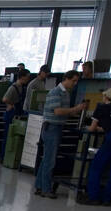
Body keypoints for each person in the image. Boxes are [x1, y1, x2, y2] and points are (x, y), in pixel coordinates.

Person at [35, 70, 87, 198]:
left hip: (57, 127)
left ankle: (40, 186)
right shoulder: (55, 92)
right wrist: (75, 109)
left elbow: (65, 111)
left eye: (76, 81)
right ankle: (46, 189)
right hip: (51, 128)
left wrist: (77, 112)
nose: (75, 83)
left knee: (47, 158)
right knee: (50, 160)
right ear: (66, 79)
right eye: (73, 80)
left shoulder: (66, 94)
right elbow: (57, 111)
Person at [83, 88, 111, 205]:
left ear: (105, 97)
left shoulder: (101, 108)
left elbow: (92, 128)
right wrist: (102, 128)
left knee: (96, 167)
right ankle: (107, 198)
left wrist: (87, 128)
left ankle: (93, 197)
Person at [1, 70, 30, 160]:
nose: (28, 78)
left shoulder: (22, 87)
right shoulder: (13, 87)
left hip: (16, 113)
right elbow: (4, 99)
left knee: (12, 136)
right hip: (11, 113)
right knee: (7, 136)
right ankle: (3, 156)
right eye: (27, 76)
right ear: (22, 77)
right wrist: (12, 104)